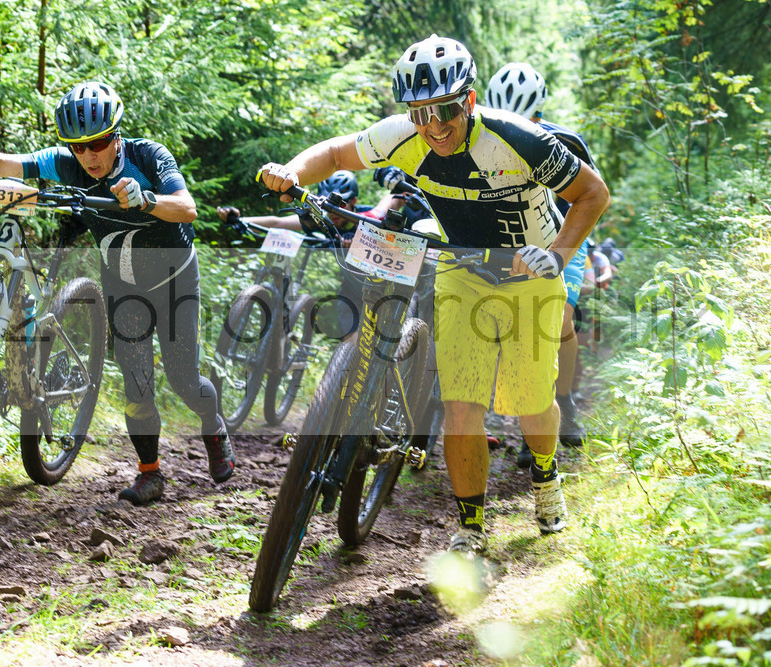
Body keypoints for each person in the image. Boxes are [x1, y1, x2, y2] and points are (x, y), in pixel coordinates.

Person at [257, 35, 610, 555]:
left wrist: (556, 254)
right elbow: (334, 154)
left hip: (530, 271)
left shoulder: (517, 139)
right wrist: (292, 171)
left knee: (533, 405)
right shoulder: (405, 136)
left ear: (468, 100)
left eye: (446, 109)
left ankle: (546, 476)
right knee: (462, 405)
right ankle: (471, 527)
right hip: (463, 269)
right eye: (421, 113)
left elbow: (593, 193)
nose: (435, 125)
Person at [0, 81, 236, 506]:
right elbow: (4, 162)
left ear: (116, 134)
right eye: (78, 147)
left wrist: (147, 198)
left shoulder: (148, 156)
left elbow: (187, 208)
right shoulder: (67, 163)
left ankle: (214, 426)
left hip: (173, 282)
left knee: (185, 382)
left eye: (98, 143)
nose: (89, 156)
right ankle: (150, 474)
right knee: (137, 387)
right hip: (124, 286)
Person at [485, 61, 599, 456]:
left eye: (526, 117)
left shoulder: (567, 140)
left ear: (539, 111)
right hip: (508, 234)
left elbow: (592, 197)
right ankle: (529, 419)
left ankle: (563, 401)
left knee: (560, 318)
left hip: (564, 231)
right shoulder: (480, 134)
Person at [217, 171, 401, 340]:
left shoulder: (368, 218)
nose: (333, 211)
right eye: (329, 205)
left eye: (341, 204)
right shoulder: (323, 221)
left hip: (385, 291)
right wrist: (239, 219)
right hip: (352, 293)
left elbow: (391, 201)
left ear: (354, 201)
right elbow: (278, 222)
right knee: (352, 346)